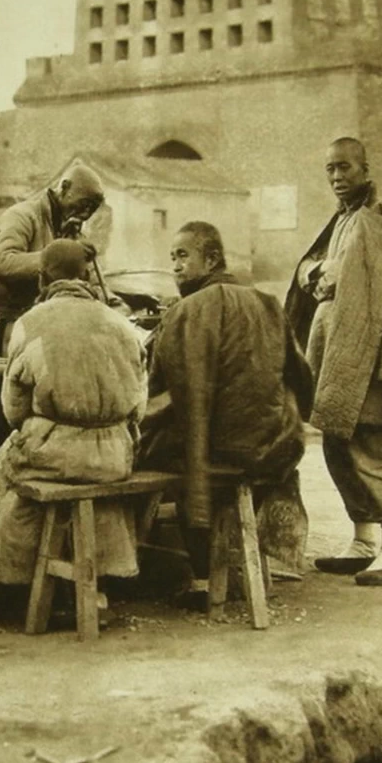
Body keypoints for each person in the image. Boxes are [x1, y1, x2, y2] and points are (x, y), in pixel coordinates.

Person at [0, 239, 148, 608]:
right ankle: (107, 575)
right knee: (93, 490)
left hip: (52, 452)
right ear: (85, 276)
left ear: (41, 278)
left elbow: (13, 410)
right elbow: (138, 407)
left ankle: (13, 581)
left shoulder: (29, 324)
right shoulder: (120, 324)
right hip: (113, 458)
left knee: (9, 473)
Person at [141, 222, 314, 594]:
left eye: (183, 255)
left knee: (148, 448)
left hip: (217, 452)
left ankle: (196, 576)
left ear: (213, 258)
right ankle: (226, 558)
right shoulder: (268, 303)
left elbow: (158, 395)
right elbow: (303, 377)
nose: (175, 266)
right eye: (172, 257)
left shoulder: (186, 311)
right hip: (274, 451)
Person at [286, 137, 382, 586]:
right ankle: (363, 542)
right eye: (330, 170)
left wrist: (323, 276)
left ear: (365, 168)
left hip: (367, 348)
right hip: (335, 346)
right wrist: (318, 275)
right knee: (338, 441)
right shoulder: (342, 220)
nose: (337, 177)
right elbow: (311, 269)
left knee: (371, 441)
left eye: (345, 168)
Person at [0, 164, 105, 355]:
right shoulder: (22, 215)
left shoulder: (74, 233)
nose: (85, 214)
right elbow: (4, 263)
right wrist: (60, 255)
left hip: (55, 331)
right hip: (12, 330)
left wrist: (117, 303)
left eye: (93, 208)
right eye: (83, 204)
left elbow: (96, 284)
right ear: (64, 188)